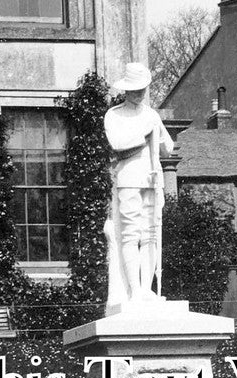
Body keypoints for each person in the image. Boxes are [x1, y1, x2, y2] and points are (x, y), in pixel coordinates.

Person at [103, 63, 174, 311]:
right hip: (128, 179)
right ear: (125, 90)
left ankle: (146, 289)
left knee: (151, 233)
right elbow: (117, 144)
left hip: (152, 180)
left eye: (142, 88)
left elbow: (168, 147)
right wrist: (144, 134)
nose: (139, 93)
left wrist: (162, 137)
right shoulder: (114, 115)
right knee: (131, 234)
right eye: (134, 89)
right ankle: (133, 291)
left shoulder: (152, 115)